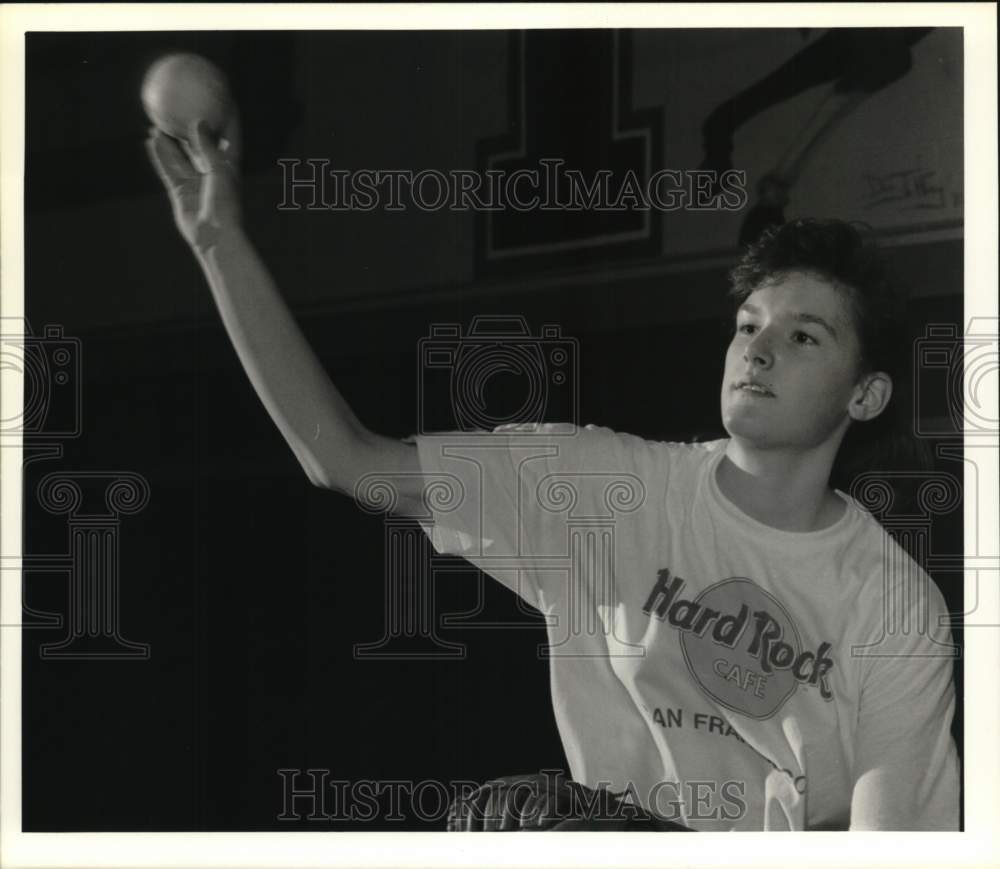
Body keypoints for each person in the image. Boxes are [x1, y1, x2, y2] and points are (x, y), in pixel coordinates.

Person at [146, 118, 960, 832]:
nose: (759, 348)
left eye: (805, 336)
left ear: (867, 392)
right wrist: (219, 243)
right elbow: (349, 460)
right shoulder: (604, 487)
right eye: (749, 325)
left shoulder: (893, 604)